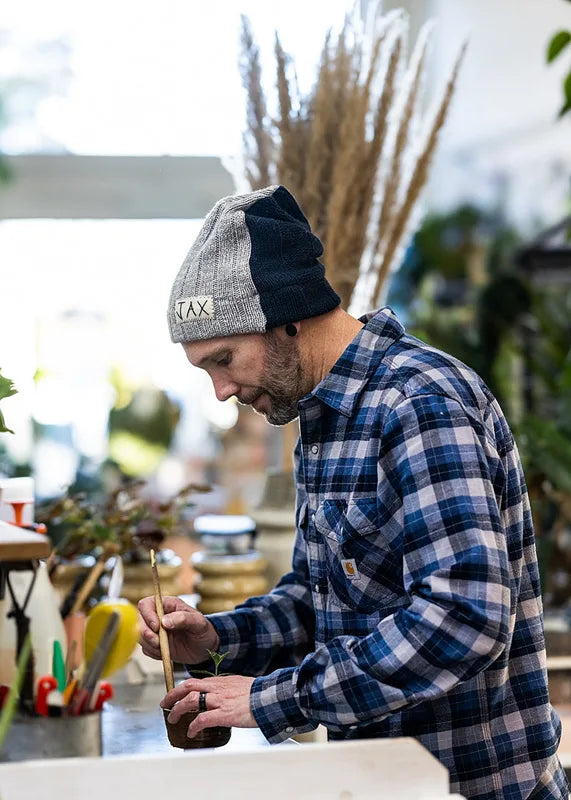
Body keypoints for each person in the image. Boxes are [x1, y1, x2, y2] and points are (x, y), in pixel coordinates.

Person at [139, 185, 569, 800]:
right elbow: (326, 604)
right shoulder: (319, 420)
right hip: (382, 784)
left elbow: (464, 619)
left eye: (224, 359)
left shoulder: (420, 404)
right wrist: (218, 638)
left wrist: (271, 699)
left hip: (472, 787)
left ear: (287, 316)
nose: (221, 391)